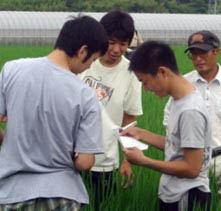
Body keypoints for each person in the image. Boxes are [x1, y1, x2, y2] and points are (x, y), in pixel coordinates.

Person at [0, 15, 108, 210]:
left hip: (12, 195)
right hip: (62, 195)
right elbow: (85, 163)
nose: (89, 66)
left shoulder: (12, 70)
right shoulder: (85, 95)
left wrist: (8, 140)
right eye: (92, 60)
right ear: (82, 51)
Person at [121, 41, 212, 211]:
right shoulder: (178, 100)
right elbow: (176, 145)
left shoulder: (190, 111)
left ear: (162, 72)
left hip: (187, 197)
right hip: (175, 194)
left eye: (145, 82)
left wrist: (145, 161)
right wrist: (140, 133)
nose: (145, 89)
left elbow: (192, 168)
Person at [79, 10, 143, 210]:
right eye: (111, 41)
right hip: (71, 157)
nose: (116, 49)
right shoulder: (83, 63)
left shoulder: (130, 72)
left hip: (105, 161)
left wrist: (128, 161)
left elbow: (130, 120)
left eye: (123, 44)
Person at [163, 30, 221, 186]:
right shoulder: (184, 84)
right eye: (193, 54)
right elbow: (170, 121)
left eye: (202, 53)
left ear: (216, 51)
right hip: (190, 162)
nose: (198, 59)